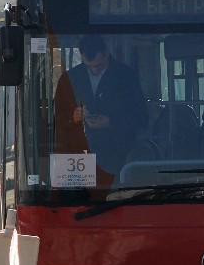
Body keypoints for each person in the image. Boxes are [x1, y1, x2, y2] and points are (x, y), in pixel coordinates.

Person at [54, 35, 147, 189]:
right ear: (81, 56)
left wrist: (112, 122)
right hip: (78, 156)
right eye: (88, 66)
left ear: (106, 54)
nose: (94, 70)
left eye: (98, 66)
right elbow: (54, 117)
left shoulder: (126, 76)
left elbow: (141, 117)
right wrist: (74, 117)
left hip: (119, 156)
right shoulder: (69, 79)